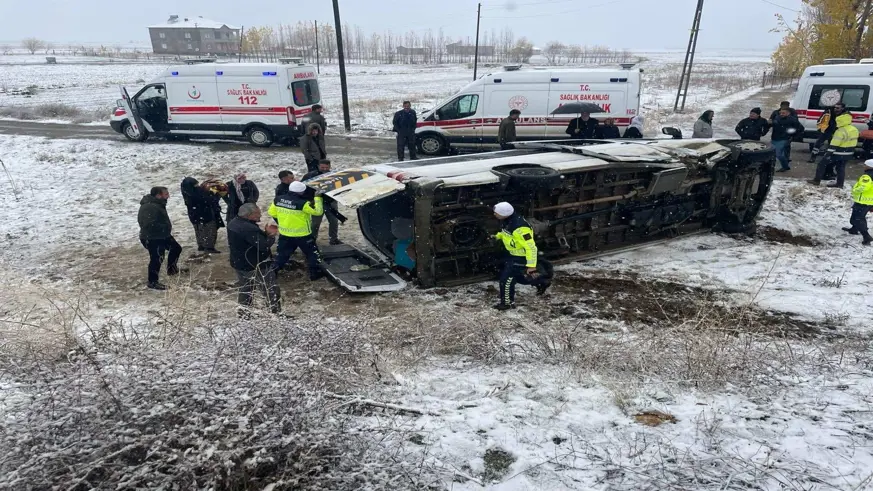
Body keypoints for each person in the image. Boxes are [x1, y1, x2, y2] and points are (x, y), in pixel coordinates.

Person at [492, 202, 551, 311]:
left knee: (506, 280)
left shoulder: (520, 228)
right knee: (520, 278)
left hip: (520, 257)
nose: (494, 214)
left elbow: (531, 248)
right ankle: (541, 281)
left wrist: (531, 266)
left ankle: (507, 303)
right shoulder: (508, 221)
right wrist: (498, 236)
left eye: (496, 213)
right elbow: (507, 234)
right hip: (513, 255)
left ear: (504, 214)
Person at [227, 203, 283, 317]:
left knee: (246, 289)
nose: (260, 215)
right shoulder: (248, 228)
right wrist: (271, 235)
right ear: (250, 215)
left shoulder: (234, 223)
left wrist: (264, 233)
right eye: (257, 213)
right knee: (270, 289)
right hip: (255, 264)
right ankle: (276, 314)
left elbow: (250, 240)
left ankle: (243, 313)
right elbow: (263, 245)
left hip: (239, 262)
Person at [268, 180, 326, 281]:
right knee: (313, 254)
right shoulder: (302, 203)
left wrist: (282, 222)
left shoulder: (277, 200)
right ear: (301, 192)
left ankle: (272, 273)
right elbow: (318, 212)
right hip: (303, 235)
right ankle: (315, 274)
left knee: (281, 256)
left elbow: (272, 212)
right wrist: (317, 198)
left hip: (285, 234)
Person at [138, 186, 183, 290]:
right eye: (166, 194)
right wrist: (163, 228)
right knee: (157, 258)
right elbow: (148, 224)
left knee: (176, 248)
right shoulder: (149, 207)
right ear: (158, 195)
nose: (168, 196)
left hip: (162, 235)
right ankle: (152, 282)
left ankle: (172, 269)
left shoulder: (157, 204)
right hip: (152, 237)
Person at [808, 111, 859, 188]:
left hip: (838, 152)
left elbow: (834, 144)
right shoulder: (854, 129)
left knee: (821, 164)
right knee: (840, 168)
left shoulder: (840, 131)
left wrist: (828, 153)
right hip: (848, 152)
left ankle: (816, 180)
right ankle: (840, 183)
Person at [180, 177, 224, 254]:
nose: (198, 186)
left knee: (199, 230)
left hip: (194, 215)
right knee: (210, 231)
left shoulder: (187, 192)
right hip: (205, 215)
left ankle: (201, 245)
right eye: (196, 185)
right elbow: (210, 200)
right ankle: (209, 247)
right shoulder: (197, 194)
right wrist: (215, 193)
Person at [303, 159, 341, 245]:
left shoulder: (335, 176)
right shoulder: (310, 176)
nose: (324, 169)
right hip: (316, 203)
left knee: (334, 222)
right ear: (318, 166)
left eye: (326, 167)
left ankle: (334, 239)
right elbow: (303, 188)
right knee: (315, 224)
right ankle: (312, 240)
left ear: (330, 167)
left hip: (331, 202)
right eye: (322, 167)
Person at [843, 159, 873, 245]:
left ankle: (866, 236)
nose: (864, 166)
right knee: (857, 215)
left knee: (858, 218)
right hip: (869, 201)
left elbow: (863, 187)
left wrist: (855, 190)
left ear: (869, 166)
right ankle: (854, 229)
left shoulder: (867, 176)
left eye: (865, 165)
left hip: (863, 201)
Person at [770, 107, 804, 172]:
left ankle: (785, 166)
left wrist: (794, 136)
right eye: (780, 113)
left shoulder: (793, 120)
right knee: (773, 153)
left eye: (783, 113)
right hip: (774, 138)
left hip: (784, 138)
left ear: (788, 113)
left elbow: (800, 128)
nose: (781, 114)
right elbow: (773, 124)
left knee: (778, 154)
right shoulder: (777, 118)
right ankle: (782, 165)